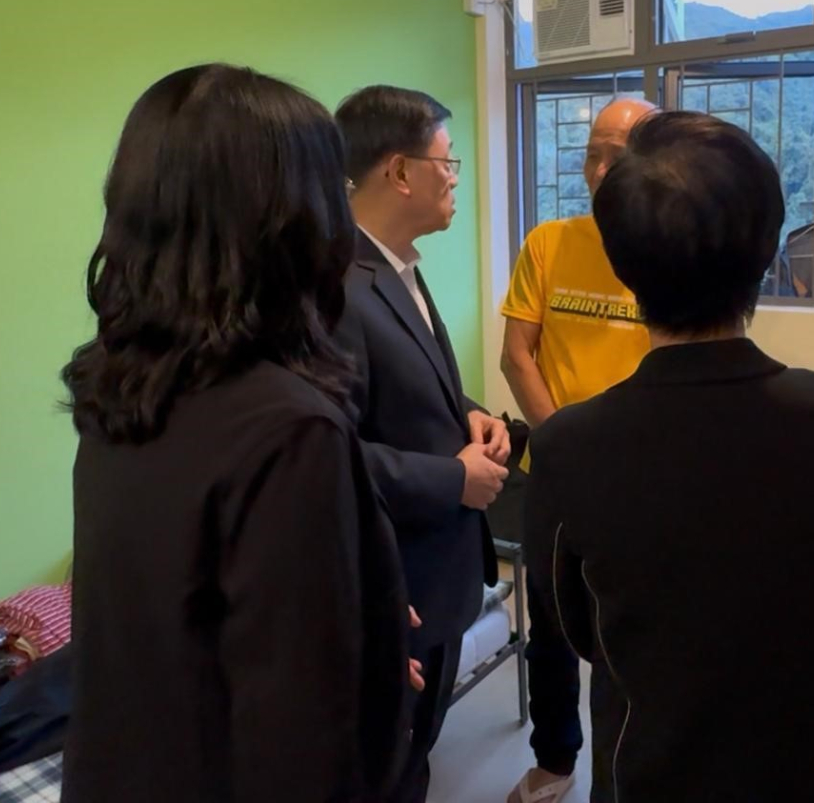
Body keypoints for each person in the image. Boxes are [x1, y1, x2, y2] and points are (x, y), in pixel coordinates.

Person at [61, 65, 412, 803]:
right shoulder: (289, 429)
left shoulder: (122, 384)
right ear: (294, 220)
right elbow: (299, 743)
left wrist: (356, 613)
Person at [526, 111, 814, 803]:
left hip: (655, 767)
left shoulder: (568, 448)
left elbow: (579, 627)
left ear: (621, 261)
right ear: (768, 249)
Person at [334, 85, 510, 803]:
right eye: (448, 162)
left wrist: (472, 415)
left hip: (437, 570)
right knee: (389, 768)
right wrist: (453, 480)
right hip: (393, 579)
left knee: (416, 750)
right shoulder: (335, 290)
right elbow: (326, 454)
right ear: (400, 171)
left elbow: (412, 387)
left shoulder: (395, 265)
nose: (456, 178)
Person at [499, 97, 654, 803]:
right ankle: (555, 760)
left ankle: (625, 776)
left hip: (639, 482)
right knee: (553, 633)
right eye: (592, 154)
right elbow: (517, 355)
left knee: (634, 639)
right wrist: (564, 448)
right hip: (556, 476)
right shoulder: (549, 243)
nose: (598, 171)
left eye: (616, 157)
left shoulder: (666, 248)